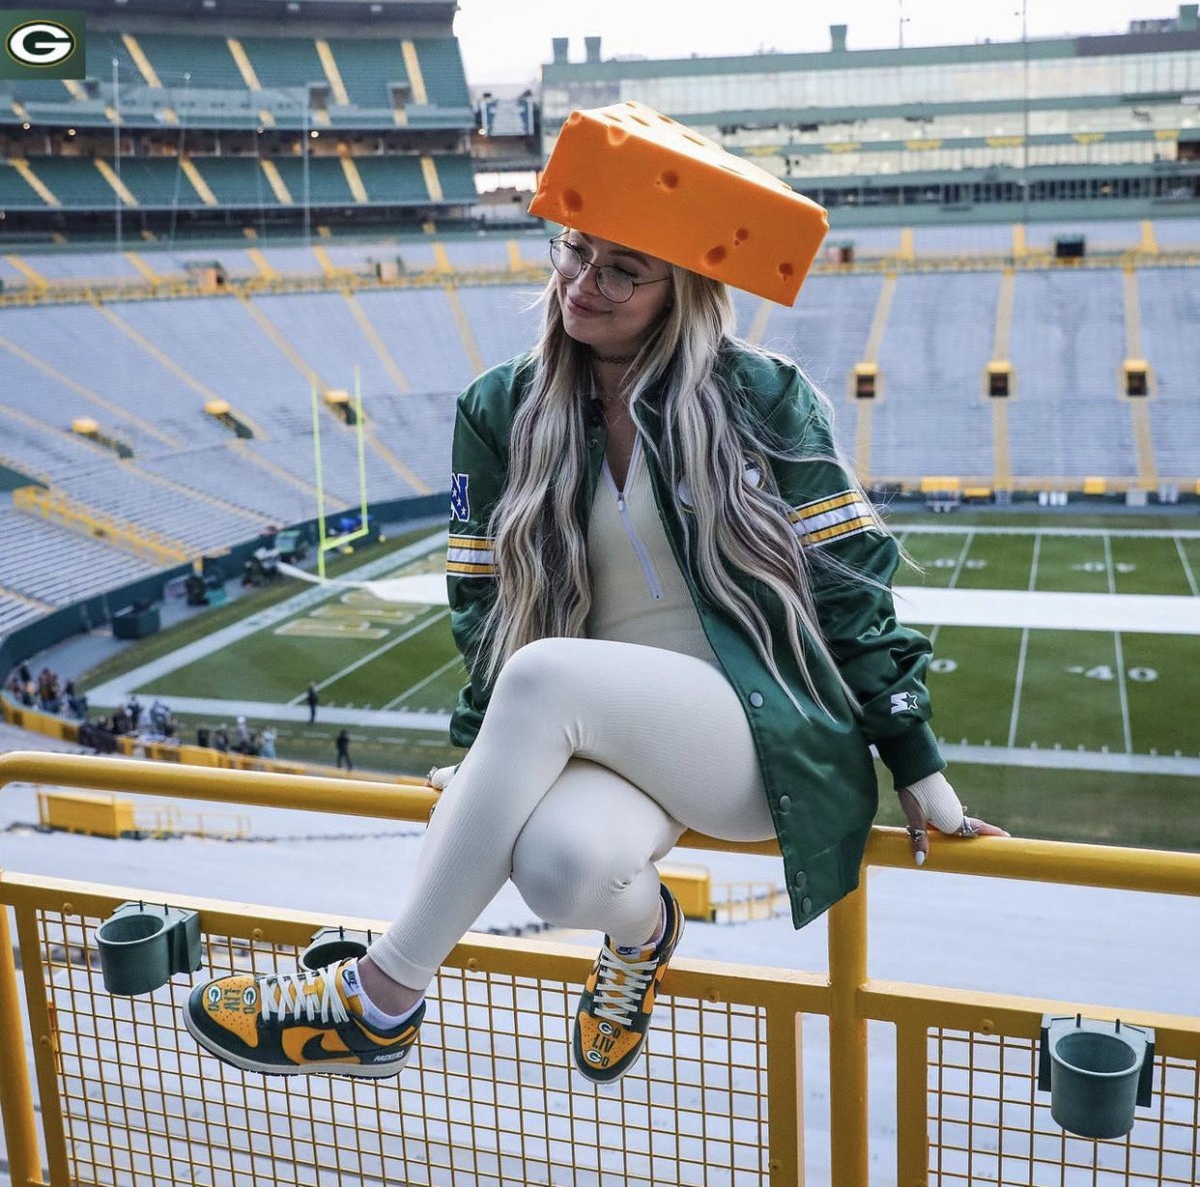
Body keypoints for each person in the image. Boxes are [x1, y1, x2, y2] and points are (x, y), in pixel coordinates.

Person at [185, 100, 1006, 1086]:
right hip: (607, 729)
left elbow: (846, 585)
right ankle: (646, 933)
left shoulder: (763, 395)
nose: (585, 284)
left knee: (545, 679)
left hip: (756, 729)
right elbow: (481, 600)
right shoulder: (500, 408)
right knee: (560, 870)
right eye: (576, 253)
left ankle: (379, 1001)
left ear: (686, 290)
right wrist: (492, 753)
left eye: (624, 269)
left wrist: (915, 760)